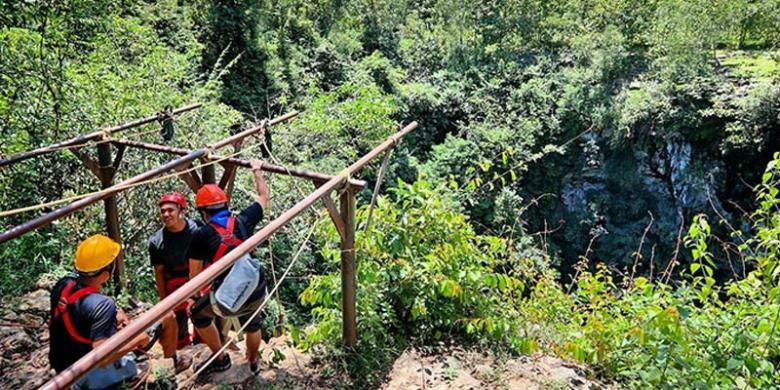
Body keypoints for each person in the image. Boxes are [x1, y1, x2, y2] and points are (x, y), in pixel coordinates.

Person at [187, 159, 270, 375]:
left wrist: (195, 298)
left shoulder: (201, 235)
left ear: (203, 212)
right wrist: (257, 170)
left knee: (198, 314)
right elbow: (263, 197)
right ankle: (252, 362)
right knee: (252, 323)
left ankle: (221, 358)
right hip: (256, 286)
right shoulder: (243, 220)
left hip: (229, 297)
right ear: (225, 205)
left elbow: (195, 278)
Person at [49, 235, 149, 389]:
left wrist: (115, 311)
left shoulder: (63, 284)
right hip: (83, 374)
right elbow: (101, 359)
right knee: (132, 363)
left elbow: (84, 310)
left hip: (61, 366)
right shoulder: (102, 305)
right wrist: (137, 341)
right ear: (106, 272)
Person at [148, 192, 195, 372]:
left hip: (197, 277)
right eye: (162, 211)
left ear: (182, 211)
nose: (166, 215)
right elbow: (159, 271)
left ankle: (205, 344)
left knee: (203, 313)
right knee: (177, 320)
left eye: (170, 210)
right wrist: (164, 301)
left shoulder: (195, 230)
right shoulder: (157, 241)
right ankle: (181, 352)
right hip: (174, 282)